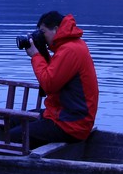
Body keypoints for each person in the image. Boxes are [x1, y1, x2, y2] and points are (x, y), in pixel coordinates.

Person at [12, 11, 98, 148]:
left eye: (42, 32)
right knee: (12, 120)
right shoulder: (71, 46)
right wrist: (42, 52)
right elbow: (53, 76)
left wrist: (35, 56)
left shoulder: (70, 50)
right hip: (62, 116)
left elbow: (49, 84)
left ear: (56, 30)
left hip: (71, 124)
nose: (41, 36)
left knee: (15, 136)